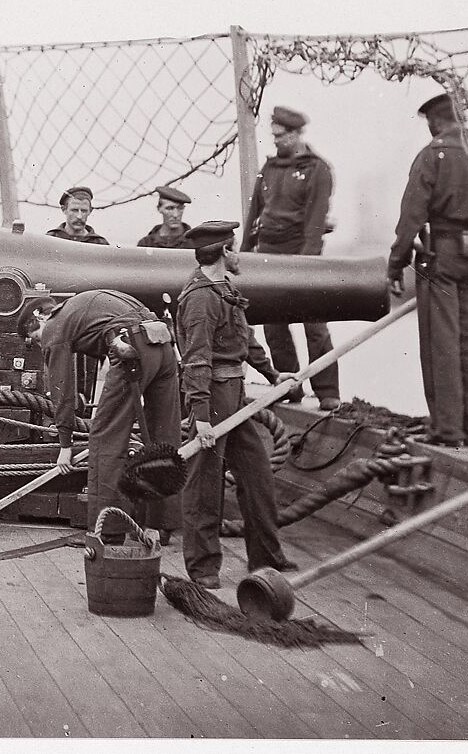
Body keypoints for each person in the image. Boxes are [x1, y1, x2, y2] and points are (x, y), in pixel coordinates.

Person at [176, 220, 297, 589]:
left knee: (257, 473)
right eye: (236, 247)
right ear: (225, 252)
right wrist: (200, 419)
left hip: (234, 395)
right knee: (204, 483)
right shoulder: (200, 298)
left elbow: (246, 339)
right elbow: (196, 360)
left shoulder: (224, 287)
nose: (239, 254)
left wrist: (273, 374)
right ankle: (202, 566)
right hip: (211, 398)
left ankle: (266, 556)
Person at [17, 290, 181, 545]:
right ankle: (161, 525)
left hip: (132, 347)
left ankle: (108, 532)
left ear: (39, 318)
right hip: (162, 343)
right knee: (163, 436)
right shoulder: (80, 307)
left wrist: (65, 444)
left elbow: (63, 392)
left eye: (35, 338)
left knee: (106, 440)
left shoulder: (54, 326)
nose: (41, 345)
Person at [388, 93, 468, 448]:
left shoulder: (432, 155)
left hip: (442, 256)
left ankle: (448, 431)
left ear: (434, 120)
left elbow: (411, 215)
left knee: (442, 346)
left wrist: (396, 262)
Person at [240, 105, 341, 410]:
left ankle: (327, 391)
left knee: (314, 324)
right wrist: (245, 256)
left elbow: (314, 222)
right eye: (274, 136)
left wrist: (305, 265)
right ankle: (289, 386)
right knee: (274, 324)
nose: (276, 141)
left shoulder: (317, 170)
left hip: (300, 254)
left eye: (282, 136)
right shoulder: (269, 170)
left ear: (297, 134)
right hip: (268, 255)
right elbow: (254, 216)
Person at [45, 186, 110, 244]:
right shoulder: (50, 239)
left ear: (90, 211)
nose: (79, 216)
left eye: (84, 211)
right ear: (64, 209)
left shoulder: (100, 243)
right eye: (74, 210)